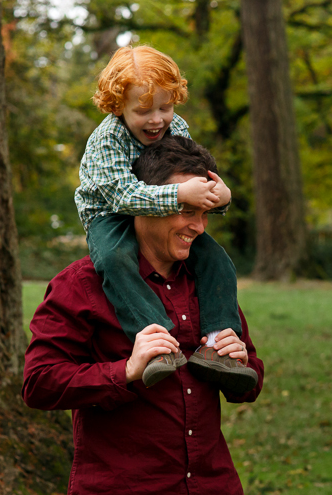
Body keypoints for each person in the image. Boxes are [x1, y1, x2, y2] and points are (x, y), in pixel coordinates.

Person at [23, 136, 264, 495]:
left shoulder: (208, 282)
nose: (197, 225)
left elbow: (248, 382)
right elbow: (38, 382)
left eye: (203, 212)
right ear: (145, 203)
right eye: (184, 209)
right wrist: (126, 371)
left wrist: (242, 361)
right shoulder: (82, 284)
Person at [75, 45, 256, 392]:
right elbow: (123, 196)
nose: (157, 119)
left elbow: (191, 173)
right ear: (118, 106)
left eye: (166, 107)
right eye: (143, 110)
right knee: (115, 259)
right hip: (110, 214)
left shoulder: (178, 127)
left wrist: (221, 197)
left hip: (167, 212)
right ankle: (157, 343)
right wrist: (179, 195)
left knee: (217, 260)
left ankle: (217, 343)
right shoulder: (106, 140)